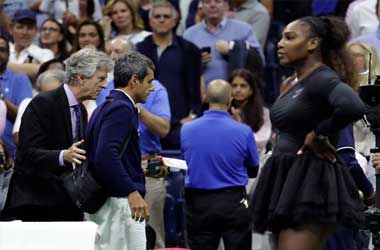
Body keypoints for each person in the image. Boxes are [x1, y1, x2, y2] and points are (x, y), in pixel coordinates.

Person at [249, 16, 366, 250]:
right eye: (281, 37)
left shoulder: (321, 77)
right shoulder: (291, 82)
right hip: (286, 175)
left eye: (290, 37)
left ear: (313, 43)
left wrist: (320, 133)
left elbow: (352, 105)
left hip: (310, 180)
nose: (280, 43)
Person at [2, 48, 114, 221]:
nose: (105, 85)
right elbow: (27, 152)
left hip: (65, 202)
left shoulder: (81, 110)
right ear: (81, 78)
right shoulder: (44, 103)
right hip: (35, 205)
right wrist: (63, 155)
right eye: (101, 79)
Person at [86, 51, 154, 250]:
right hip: (119, 202)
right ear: (134, 80)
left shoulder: (106, 105)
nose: (152, 88)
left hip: (110, 200)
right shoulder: (121, 108)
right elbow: (106, 154)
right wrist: (131, 191)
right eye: (149, 81)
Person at [181, 79, 260, 250]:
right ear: (230, 100)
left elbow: (188, 161)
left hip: (199, 202)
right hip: (233, 201)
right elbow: (253, 169)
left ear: (206, 99)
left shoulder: (186, 129)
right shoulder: (243, 131)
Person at [137, 0, 202, 149]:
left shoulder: (189, 50)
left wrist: (194, 115)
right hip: (146, 122)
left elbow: (195, 87)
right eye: (157, 16)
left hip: (179, 123)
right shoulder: (139, 49)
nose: (161, 19)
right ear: (150, 21)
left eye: (166, 16)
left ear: (174, 21)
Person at [183, 0, 263, 87]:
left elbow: (259, 61)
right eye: (207, 2)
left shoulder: (244, 29)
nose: (212, 5)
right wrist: (196, 61)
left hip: (236, 94)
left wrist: (233, 48)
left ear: (226, 5)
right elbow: (180, 68)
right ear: (201, 6)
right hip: (201, 95)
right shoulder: (189, 34)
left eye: (217, 1)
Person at [12, 69, 66, 145]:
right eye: (46, 93)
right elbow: (18, 138)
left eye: (54, 93)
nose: (50, 98)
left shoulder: (70, 108)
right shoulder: (28, 103)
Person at [0, 35, 33, 158]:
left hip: (11, 156)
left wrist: (1, 99)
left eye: (2, 50)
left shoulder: (20, 79)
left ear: (9, 55)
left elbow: (25, 118)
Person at [229, 68, 271, 155]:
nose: (238, 90)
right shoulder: (223, 111)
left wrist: (238, 126)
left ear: (251, 90)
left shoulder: (263, 113)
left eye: (243, 86)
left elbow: (260, 142)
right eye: (234, 85)